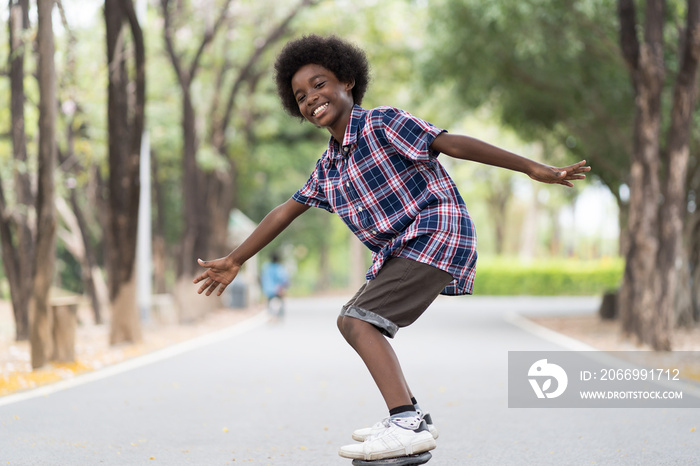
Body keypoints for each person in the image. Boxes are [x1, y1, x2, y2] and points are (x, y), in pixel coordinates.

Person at [194, 35, 590, 461]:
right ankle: (412, 417)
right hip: (404, 250)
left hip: (436, 232)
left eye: (319, 84)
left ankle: (404, 421)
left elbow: (450, 143)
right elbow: (284, 212)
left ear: (347, 81)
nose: (312, 98)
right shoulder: (328, 167)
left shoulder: (383, 123)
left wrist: (532, 167)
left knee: (359, 320)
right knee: (352, 323)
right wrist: (235, 258)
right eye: (301, 96)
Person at [260, 252, 289, 317]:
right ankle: (280, 315)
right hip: (277, 289)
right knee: (281, 301)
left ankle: (270, 315)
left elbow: (262, 277)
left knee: (269, 302)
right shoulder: (279, 267)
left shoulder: (266, 266)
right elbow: (283, 279)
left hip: (268, 289)